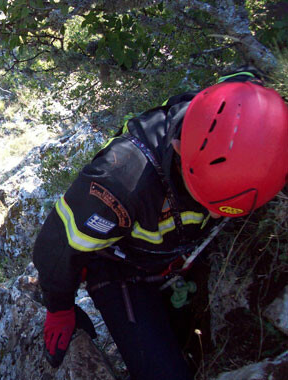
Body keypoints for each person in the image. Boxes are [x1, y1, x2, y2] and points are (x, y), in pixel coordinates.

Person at [33, 68, 288, 379]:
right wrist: (59, 306)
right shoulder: (120, 181)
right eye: (210, 202)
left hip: (181, 252)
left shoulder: (240, 107)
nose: (219, 216)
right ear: (181, 151)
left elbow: (244, 86)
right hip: (121, 267)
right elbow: (59, 244)